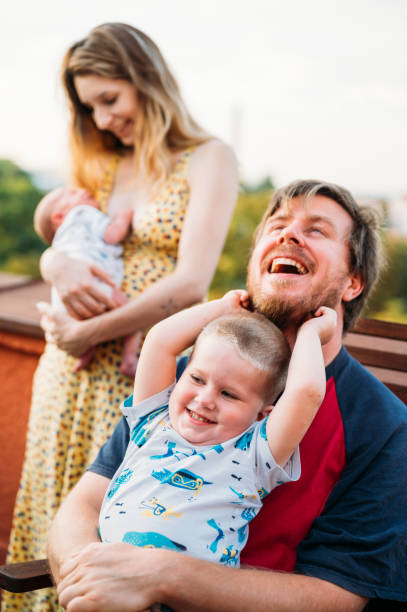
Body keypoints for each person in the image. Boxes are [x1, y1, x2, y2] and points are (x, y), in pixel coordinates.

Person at [48, 179, 407, 611]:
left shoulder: (383, 427)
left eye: (316, 229)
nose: (288, 234)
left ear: (353, 282)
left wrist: (163, 575)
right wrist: (92, 585)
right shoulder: (193, 383)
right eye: (276, 225)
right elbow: (83, 505)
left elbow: (337, 598)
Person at [4, 22, 238, 612]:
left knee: (120, 517)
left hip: (142, 378)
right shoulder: (106, 164)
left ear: (146, 79)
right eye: (91, 108)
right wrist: (55, 263)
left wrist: (86, 330)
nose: (103, 119)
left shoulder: (209, 158)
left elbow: (190, 282)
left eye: (110, 99)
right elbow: (67, 234)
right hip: (65, 377)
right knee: (53, 508)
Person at [99, 290, 336, 566]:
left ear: (262, 415)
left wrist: (312, 334)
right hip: (104, 578)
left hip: (185, 599)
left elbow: (306, 392)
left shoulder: (253, 455)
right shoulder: (152, 419)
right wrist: (223, 307)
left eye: (229, 394)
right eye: (197, 378)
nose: (205, 399)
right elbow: (159, 342)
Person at [34, 186, 142, 375]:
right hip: (98, 286)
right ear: (59, 217)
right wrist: (123, 217)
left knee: (81, 327)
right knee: (133, 319)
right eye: (71, 193)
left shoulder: (63, 241)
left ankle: (84, 355)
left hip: (66, 298)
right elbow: (112, 235)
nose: (80, 190)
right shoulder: (81, 214)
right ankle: (130, 359)